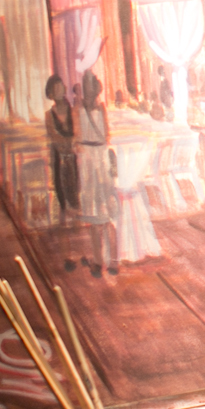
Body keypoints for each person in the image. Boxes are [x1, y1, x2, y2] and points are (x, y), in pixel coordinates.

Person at [74, 70, 116, 276]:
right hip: (93, 160)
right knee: (96, 213)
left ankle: (106, 260)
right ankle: (101, 260)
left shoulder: (96, 108)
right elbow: (81, 134)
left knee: (102, 213)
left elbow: (104, 133)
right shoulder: (84, 108)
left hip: (95, 159)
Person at [43, 75, 78, 225]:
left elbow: (77, 130)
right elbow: (53, 135)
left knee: (75, 182)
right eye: (54, 89)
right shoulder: (49, 115)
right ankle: (64, 213)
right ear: (50, 94)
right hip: (58, 152)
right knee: (60, 182)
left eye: (60, 87)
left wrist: (71, 144)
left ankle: (76, 212)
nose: (58, 91)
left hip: (73, 152)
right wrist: (65, 145)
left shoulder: (73, 111)